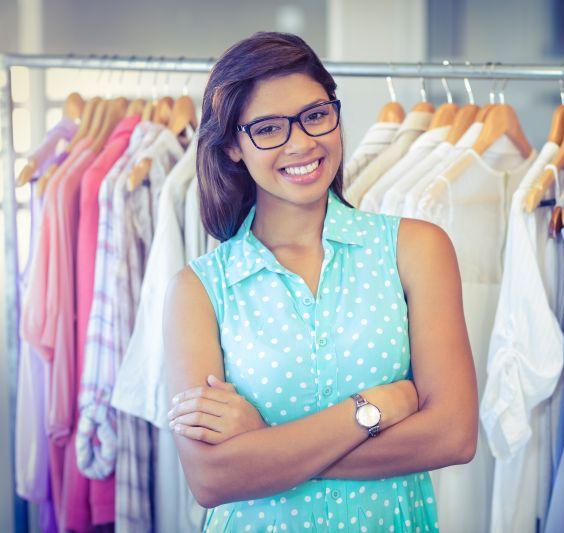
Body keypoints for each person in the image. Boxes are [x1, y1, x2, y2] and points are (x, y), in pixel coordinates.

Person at [164, 31, 477, 532]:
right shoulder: (198, 289)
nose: (302, 142)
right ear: (231, 148)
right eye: (268, 129)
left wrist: (265, 445)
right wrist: (374, 408)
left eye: (315, 115)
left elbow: (453, 436)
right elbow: (212, 478)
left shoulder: (416, 250)